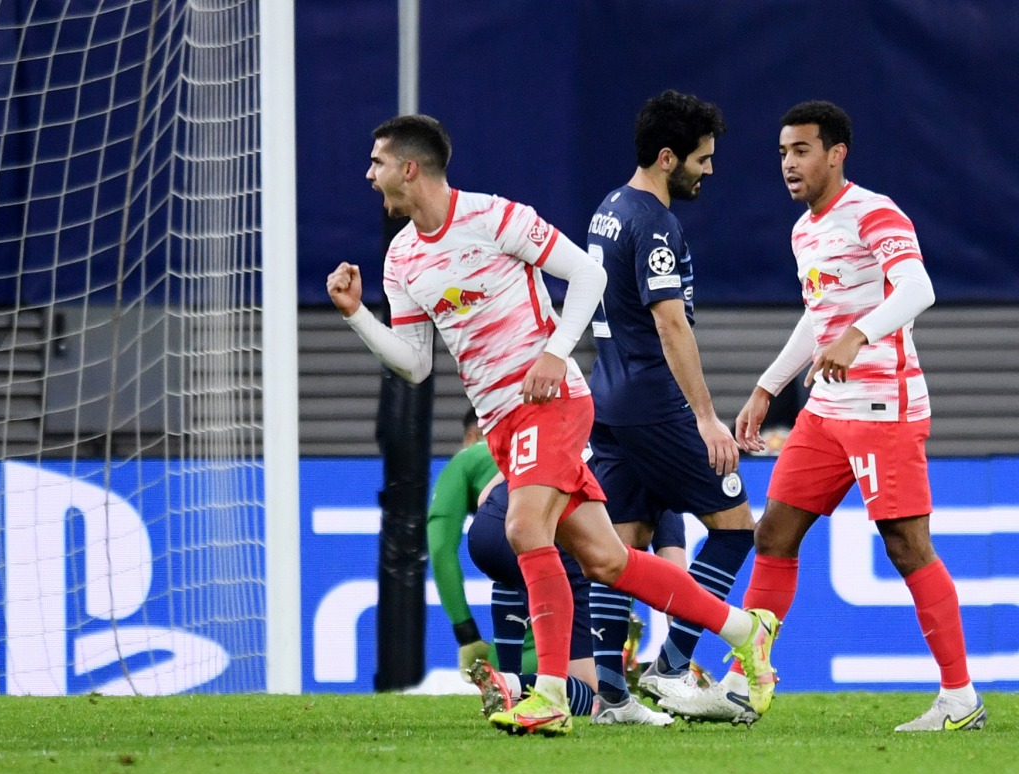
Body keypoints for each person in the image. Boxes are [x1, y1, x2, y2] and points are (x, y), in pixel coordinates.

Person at [328, 114, 778, 736]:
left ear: (410, 168)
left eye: (376, 162)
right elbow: (413, 364)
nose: (368, 174)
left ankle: (550, 696)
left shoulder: (494, 217)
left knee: (521, 525)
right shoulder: (402, 259)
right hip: (502, 422)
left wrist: (554, 352)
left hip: (554, 402)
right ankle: (744, 630)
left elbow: (588, 274)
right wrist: (357, 317)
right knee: (606, 560)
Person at [661, 100, 986, 732]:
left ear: (837, 154)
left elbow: (918, 289)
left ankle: (960, 698)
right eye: (783, 152)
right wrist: (766, 386)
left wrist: (859, 335)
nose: (789, 163)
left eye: (802, 150)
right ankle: (740, 687)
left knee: (906, 544)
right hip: (826, 411)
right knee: (772, 536)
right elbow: (819, 314)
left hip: (884, 408)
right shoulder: (804, 230)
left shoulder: (875, 212)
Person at [583, 90, 758, 721]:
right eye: (702, 159)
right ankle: (674, 667)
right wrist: (707, 418)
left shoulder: (609, 208)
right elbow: (670, 325)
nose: (708, 170)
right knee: (736, 529)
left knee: (623, 546)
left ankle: (610, 696)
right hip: (654, 404)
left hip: (608, 398)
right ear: (667, 158)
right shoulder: (653, 221)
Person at [467, 471, 689, 726]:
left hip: (487, 528)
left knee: (515, 569)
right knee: (590, 688)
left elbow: (484, 497)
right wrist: (679, 657)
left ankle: (507, 684)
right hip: (554, 544)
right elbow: (675, 575)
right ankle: (511, 684)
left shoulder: (581, 435)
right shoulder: (657, 471)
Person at [427, 408, 500, 679]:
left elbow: (439, 548)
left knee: (507, 670)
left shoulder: (468, 457)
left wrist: (466, 633)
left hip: (528, 553)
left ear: (471, 435)